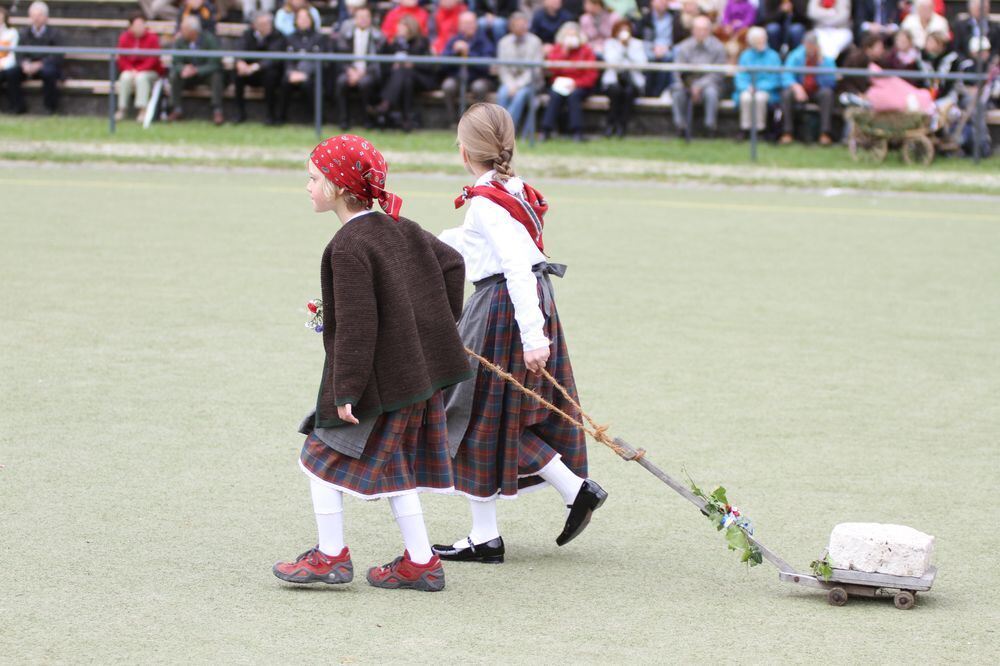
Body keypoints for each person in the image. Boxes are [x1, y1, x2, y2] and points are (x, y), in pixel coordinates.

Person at [272, 134, 471, 592]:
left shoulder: (348, 246)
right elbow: (453, 265)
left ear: (339, 188)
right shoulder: (402, 227)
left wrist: (346, 389)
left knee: (318, 457)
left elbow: (358, 325)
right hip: (414, 377)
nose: (308, 186)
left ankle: (331, 557)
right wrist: (434, 327)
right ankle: (421, 562)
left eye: (314, 178)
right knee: (398, 471)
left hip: (378, 385)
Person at [433, 103, 608, 564]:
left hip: (504, 308)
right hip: (520, 303)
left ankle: (498, 529)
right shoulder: (509, 189)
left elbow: (514, 264)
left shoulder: (487, 201)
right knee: (490, 417)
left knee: (471, 415)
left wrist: (533, 337)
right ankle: (557, 498)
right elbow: (485, 245)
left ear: (464, 150)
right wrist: (427, 240)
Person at [540, 22, 598, 141]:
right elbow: (552, 70)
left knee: (574, 96)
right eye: (568, 36)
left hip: (580, 85)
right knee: (554, 96)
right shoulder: (558, 49)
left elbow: (591, 75)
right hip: (560, 84)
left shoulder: (586, 50)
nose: (571, 39)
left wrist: (576, 83)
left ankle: (577, 132)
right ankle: (545, 130)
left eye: (573, 35)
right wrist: (563, 53)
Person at [671, 15, 726, 137]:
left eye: (704, 29)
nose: (701, 32)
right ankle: (680, 127)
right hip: (687, 83)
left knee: (711, 92)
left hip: (710, 84)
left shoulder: (718, 47)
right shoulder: (684, 47)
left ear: (709, 31)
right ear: (692, 30)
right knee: (677, 90)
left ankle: (710, 127)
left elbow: (718, 74)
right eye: (698, 29)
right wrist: (690, 86)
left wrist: (699, 86)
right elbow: (678, 71)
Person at [376, 14, 434, 130]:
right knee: (405, 77)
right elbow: (384, 63)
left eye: (402, 26)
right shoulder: (394, 43)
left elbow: (429, 66)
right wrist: (394, 65)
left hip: (421, 78)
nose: (399, 29)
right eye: (399, 26)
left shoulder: (422, 42)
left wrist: (413, 64)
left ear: (410, 27)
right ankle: (406, 120)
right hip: (403, 80)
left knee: (405, 72)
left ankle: (385, 104)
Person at [779, 31, 836, 144]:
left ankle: (825, 133)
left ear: (817, 45)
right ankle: (787, 132)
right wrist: (796, 86)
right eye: (808, 44)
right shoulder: (795, 56)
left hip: (817, 90)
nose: (810, 47)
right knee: (786, 94)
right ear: (803, 44)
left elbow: (831, 82)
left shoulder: (825, 59)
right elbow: (786, 75)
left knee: (827, 93)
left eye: (813, 44)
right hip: (800, 90)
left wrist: (821, 65)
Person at [332, 5, 383, 130]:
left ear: (371, 19)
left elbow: (378, 63)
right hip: (350, 71)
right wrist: (350, 71)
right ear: (354, 19)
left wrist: (362, 73)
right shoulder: (346, 34)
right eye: (360, 17)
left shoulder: (378, 37)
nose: (363, 19)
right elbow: (341, 57)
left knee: (365, 84)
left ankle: (367, 120)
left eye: (366, 17)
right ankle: (343, 121)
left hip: (368, 72)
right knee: (341, 82)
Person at [441, 11, 496, 122]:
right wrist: (455, 52)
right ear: (460, 25)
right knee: (448, 85)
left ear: (476, 24)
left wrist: (468, 52)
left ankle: (476, 122)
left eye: (471, 23)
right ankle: (453, 122)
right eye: (466, 23)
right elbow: (442, 65)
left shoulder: (483, 40)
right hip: (457, 77)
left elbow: (486, 66)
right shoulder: (454, 41)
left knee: (479, 87)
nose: (469, 26)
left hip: (479, 77)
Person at [168, 16, 224, 124]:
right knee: (175, 75)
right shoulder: (180, 41)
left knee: (216, 76)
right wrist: (183, 68)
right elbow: (175, 62)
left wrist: (197, 70)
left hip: (205, 75)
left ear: (192, 31)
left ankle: (217, 110)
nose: (180, 31)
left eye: (183, 29)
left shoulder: (209, 39)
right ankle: (176, 109)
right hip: (187, 75)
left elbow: (215, 63)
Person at [234, 10, 286, 124]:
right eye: (262, 24)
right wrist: (240, 62)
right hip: (249, 72)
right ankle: (240, 113)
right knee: (237, 75)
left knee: (270, 76)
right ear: (254, 25)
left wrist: (256, 67)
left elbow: (274, 58)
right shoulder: (248, 34)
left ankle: (270, 115)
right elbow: (239, 49)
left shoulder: (278, 35)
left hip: (268, 73)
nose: (266, 26)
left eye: (268, 23)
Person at [12, 1, 63, 115]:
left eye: (39, 15)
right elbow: (18, 53)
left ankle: (50, 108)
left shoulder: (55, 33)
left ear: (46, 17)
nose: (36, 18)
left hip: (46, 66)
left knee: (49, 73)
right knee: (12, 73)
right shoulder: (24, 33)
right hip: (28, 66)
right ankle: (18, 107)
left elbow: (58, 55)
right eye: (33, 15)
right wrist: (24, 64)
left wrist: (40, 64)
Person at [496, 11, 544, 130]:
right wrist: (511, 84)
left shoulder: (536, 42)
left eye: (523, 25)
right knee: (502, 93)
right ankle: (501, 127)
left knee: (520, 95)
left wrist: (518, 85)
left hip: (530, 83)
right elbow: (503, 69)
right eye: (518, 25)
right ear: (511, 27)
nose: (521, 27)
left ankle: (505, 130)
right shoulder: (503, 42)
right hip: (509, 82)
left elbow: (535, 70)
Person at [733, 26, 781, 138]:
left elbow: (775, 78)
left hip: (767, 90)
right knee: (745, 97)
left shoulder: (773, 56)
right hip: (748, 88)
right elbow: (740, 76)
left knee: (759, 98)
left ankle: (760, 130)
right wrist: (747, 87)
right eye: (758, 40)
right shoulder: (745, 56)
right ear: (752, 42)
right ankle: (745, 128)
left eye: (763, 39)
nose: (761, 42)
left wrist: (758, 87)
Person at [279, 6, 325, 122]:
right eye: (300, 18)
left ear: (311, 20)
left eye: (306, 18)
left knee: (308, 84)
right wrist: (291, 73)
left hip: (312, 74)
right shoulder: (290, 38)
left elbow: (321, 60)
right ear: (296, 21)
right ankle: (281, 117)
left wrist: (306, 74)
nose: (303, 20)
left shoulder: (319, 37)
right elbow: (287, 60)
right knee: (284, 82)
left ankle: (316, 118)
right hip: (293, 73)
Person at [602, 18, 647, 137]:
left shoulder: (637, 44)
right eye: (621, 30)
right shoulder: (610, 44)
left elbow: (642, 64)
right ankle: (611, 123)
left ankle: (622, 125)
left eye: (626, 30)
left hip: (632, 80)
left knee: (629, 92)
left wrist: (628, 48)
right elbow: (611, 61)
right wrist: (622, 46)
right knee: (615, 92)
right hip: (614, 80)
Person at [115, 13, 164, 123]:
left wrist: (139, 70)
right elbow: (121, 59)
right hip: (131, 71)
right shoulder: (124, 38)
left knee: (141, 78)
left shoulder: (152, 38)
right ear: (130, 27)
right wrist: (131, 70)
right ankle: (122, 109)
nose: (140, 27)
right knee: (124, 77)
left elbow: (153, 59)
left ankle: (142, 110)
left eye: (142, 25)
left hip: (150, 72)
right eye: (137, 25)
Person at [639, 0, 677, 97]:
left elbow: (679, 39)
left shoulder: (675, 18)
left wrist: (668, 47)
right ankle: (648, 93)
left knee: (669, 58)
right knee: (648, 58)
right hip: (650, 50)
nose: (662, 2)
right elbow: (640, 38)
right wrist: (653, 48)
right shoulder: (645, 19)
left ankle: (661, 93)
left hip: (669, 50)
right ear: (652, 2)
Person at [0, 6, 24, 114]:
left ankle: (17, 107)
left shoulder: (12, 33)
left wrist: (2, 65)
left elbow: (13, 54)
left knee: (11, 74)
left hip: (7, 66)